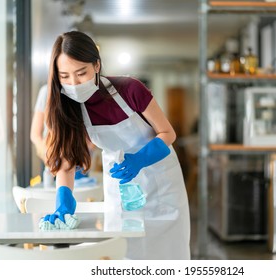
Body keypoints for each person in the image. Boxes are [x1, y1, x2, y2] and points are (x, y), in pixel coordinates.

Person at [40, 31, 190, 260]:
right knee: (123, 254)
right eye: (65, 76)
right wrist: (63, 199)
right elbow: (66, 163)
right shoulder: (68, 107)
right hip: (121, 184)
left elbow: (168, 133)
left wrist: (140, 159)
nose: (74, 83)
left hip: (161, 181)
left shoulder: (130, 89)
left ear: (97, 65)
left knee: (168, 254)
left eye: (82, 73)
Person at [30, 83, 95, 183]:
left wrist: (89, 148)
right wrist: (47, 155)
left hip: (79, 159)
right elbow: (35, 134)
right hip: (52, 158)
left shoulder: (84, 90)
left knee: (79, 195)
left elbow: (95, 131)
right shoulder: (46, 92)